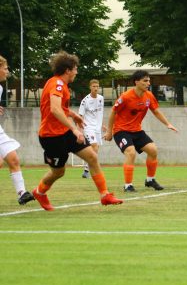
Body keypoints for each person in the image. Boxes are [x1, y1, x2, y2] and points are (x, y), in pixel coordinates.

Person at [32, 51, 123, 211]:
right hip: (51, 136)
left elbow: (60, 108)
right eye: (75, 69)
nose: (76, 72)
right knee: (58, 172)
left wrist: (73, 115)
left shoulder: (61, 85)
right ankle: (39, 192)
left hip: (64, 132)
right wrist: (74, 129)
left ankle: (105, 195)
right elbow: (54, 109)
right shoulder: (57, 84)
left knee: (92, 157)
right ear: (67, 70)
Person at [104, 70, 178, 192]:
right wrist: (109, 132)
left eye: (149, 80)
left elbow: (156, 111)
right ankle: (128, 185)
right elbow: (113, 112)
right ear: (136, 82)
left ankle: (150, 180)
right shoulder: (126, 97)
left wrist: (168, 124)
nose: (148, 83)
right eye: (145, 81)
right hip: (121, 130)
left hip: (137, 131)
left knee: (153, 150)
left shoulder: (149, 96)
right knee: (131, 153)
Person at [0, 55, 34, 205]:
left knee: (13, 158)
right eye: (5, 68)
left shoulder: (0, 88)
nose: (7, 72)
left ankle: (22, 193)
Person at [78, 79, 106, 178]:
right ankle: (94, 170)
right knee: (94, 146)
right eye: (94, 86)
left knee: (96, 148)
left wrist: (102, 125)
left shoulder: (101, 98)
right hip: (88, 127)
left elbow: (100, 113)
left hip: (97, 128)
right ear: (90, 87)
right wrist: (80, 131)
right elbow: (80, 116)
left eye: (97, 86)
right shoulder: (85, 100)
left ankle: (86, 171)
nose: (95, 88)